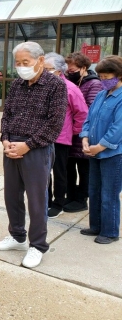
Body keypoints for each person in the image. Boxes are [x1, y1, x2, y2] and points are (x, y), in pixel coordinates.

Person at [0, 41, 67, 268]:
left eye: (26, 62)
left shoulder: (55, 86)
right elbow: (7, 114)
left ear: (40, 60)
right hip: (12, 147)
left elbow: (55, 123)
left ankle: (37, 245)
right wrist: (5, 139)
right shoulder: (17, 85)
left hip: (36, 149)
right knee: (12, 196)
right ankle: (17, 236)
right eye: (18, 63)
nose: (22, 67)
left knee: (37, 200)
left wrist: (28, 145)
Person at [79, 55, 122, 245]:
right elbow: (89, 119)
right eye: (101, 77)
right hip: (94, 150)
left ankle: (110, 231)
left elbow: (118, 128)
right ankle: (95, 225)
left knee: (109, 193)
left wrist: (100, 146)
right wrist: (85, 139)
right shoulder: (100, 95)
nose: (103, 81)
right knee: (94, 189)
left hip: (113, 153)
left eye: (107, 77)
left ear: (119, 75)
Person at [43, 53, 87, 218]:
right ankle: (45, 201)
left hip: (61, 138)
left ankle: (58, 203)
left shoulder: (70, 88)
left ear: (60, 70)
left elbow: (82, 114)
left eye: (48, 69)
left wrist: (72, 132)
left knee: (59, 171)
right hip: (41, 136)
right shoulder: (41, 85)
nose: (44, 72)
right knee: (42, 172)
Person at [64, 51, 103, 212]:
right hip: (69, 134)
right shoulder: (73, 82)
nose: (69, 73)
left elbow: (89, 111)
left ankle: (81, 199)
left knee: (84, 168)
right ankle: (71, 195)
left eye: (72, 70)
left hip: (83, 135)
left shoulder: (94, 84)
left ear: (84, 68)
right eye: (67, 71)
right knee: (69, 167)